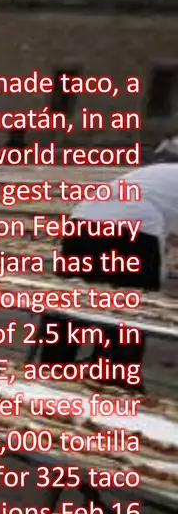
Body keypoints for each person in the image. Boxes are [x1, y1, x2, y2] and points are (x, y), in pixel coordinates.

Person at [33, 163, 177, 381]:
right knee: (127, 310)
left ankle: (54, 370)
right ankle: (113, 379)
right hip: (132, 226)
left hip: (83, 219)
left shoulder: (162, 173)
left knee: (72, 302)